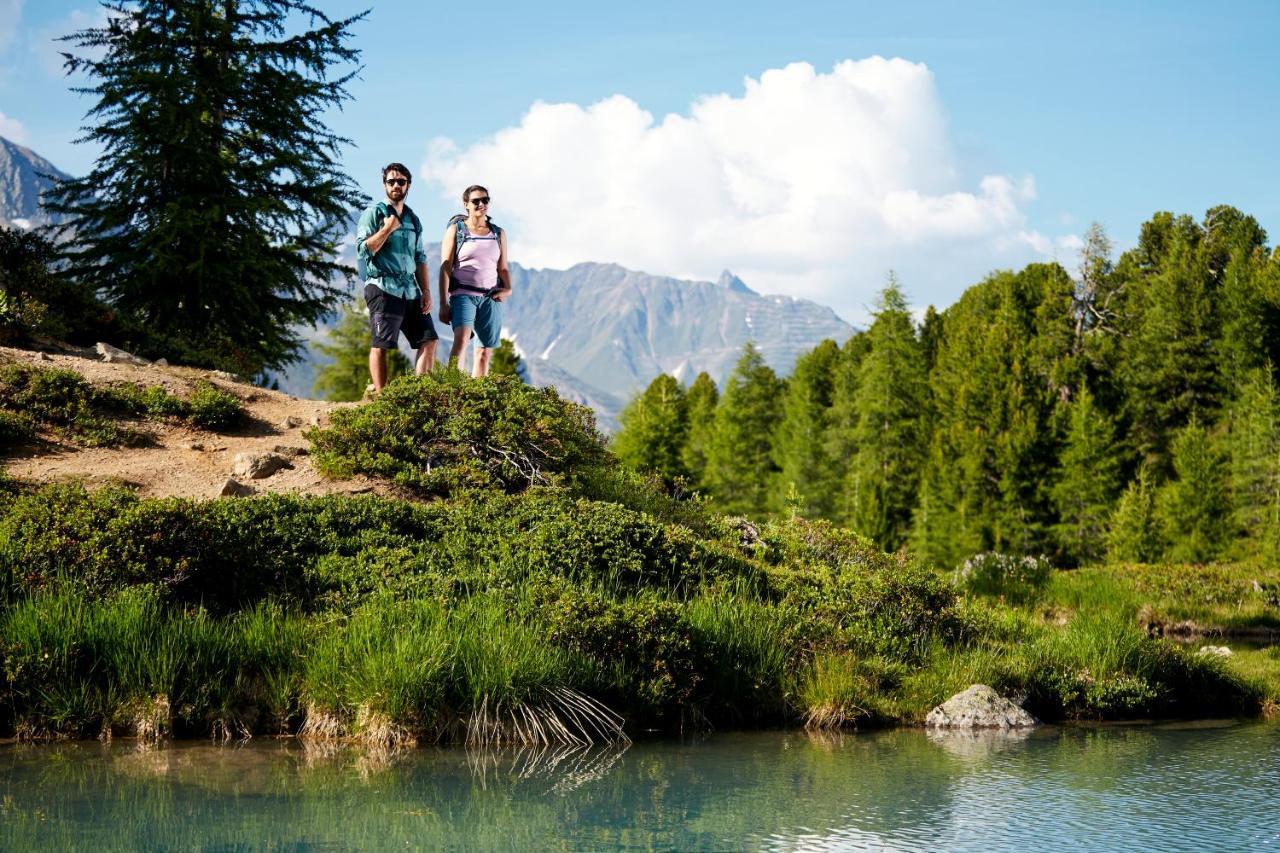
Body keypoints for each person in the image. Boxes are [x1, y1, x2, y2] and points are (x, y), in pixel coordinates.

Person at [355, 162, 437, 392]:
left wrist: (426, 291)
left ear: (408, 185)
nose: (396, 185)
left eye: (401, 181)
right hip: (382, 287)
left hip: (410, 289)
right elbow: (363, 249)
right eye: (391, 181)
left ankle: (420, 396)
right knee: (381, 344)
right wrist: (387, 229)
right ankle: (382, 398)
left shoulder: (413, 219)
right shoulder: (373, 214)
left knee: (429, 340)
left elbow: (420, 257)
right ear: (384, 185)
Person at [438, 185, 511, 377]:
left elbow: (502, 267)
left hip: (490, 297)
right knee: (461, 339)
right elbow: (445, 267)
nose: (481, 204)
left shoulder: (498, 233)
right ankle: (452, 389)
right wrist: (443, 304)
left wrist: (508, 289)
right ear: (466, 205)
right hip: (463, 295)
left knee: (484, 352)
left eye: (485, 200)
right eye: (476, 201)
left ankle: (477, 398)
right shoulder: (456, 231)